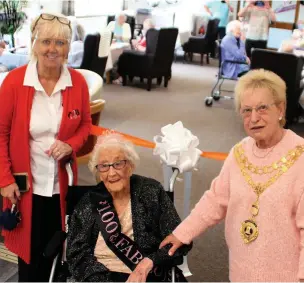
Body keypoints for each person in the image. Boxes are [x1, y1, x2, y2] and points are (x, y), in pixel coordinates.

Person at [160, 69, 304, 281]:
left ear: (280, 109)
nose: (254, 118)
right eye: (246, 110)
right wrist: (182, 233)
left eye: (262, 108)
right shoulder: (240, 152)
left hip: (287, 275)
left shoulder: (300, 158)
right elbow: (215, 200)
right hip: (241, 267)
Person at [0, 12, 92, 282]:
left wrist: (70, 144)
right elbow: (1, 132)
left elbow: (86, 125)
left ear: (68, 47)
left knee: (58, 253)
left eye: (61, 43)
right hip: (24, 187)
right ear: (35, 43)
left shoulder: (77, 82)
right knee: (29, 257)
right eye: (47, 41)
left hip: (61, 185)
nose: (53, 49)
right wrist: (4, 179)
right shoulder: (15, 82)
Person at [67, 133, 191, 282]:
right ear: (98, 172)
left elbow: (179, 238)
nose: (111, 172)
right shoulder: (88, 202)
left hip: (147, 274)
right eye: (104, 166)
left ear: (130, 166)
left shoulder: (151, 192)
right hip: (99, 276)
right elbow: (76, 252)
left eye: (118, 164)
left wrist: (150, 262)